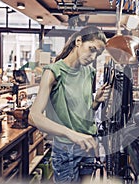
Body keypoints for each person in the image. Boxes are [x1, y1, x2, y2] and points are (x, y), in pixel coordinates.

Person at [29, 26, 109, 183]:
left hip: (88, 145)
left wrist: (96, 101)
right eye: (91, 49)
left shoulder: (89, 72)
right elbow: (34, 117)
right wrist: (71, 134)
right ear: (78, 42)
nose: (93, 57)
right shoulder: (53, 72)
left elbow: (83, 113)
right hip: (67, 149)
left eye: (97, 53)